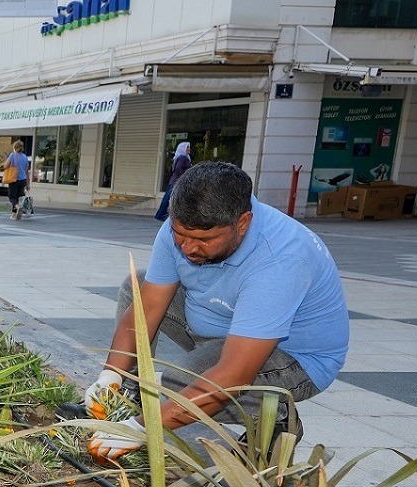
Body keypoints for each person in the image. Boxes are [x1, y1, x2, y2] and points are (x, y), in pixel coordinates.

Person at [84, 163, 350, 462]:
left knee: (175, 386)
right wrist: (110, 376)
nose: (188, 248)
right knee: (137, 287)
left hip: (290, 358)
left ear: (243, 223)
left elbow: (231, 374)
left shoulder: (281, 259)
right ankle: (126, 398)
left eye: (204, 240)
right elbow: (147, 307)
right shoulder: (186, 225)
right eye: (179, 235)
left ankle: (275, 416)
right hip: (227, 325)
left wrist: (145, 429)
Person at [155, 141, 192, 221]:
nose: (189, 149)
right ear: (183, 149)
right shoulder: (183, 157)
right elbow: (178, 168)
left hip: (174, 181)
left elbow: (172, 169)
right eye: (187, 147)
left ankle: (160, 214)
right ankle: (161, 215)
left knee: (168, 198)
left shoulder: (179, 157)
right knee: (169, 199)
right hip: (177, 182)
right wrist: (183, 176)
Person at [3, 139, 31, 220]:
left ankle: (17, 207)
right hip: (22, 180)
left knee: (12, 197)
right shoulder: (25, 157)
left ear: (15, 147)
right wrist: (28, 184)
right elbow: (27, 171)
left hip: (14, 179)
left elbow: (6, 166)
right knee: (17, 197)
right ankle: (14, 214)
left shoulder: (12, 155)